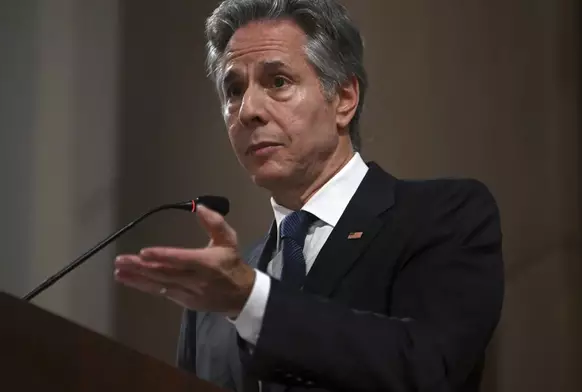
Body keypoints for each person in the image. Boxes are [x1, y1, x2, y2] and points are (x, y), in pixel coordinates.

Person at [113, 0, 505, 391]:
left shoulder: (442, 216)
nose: (248, 110)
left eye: (278, 81)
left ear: (344, 98)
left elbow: (428, 366)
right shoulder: (217, 293)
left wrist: (253, 302)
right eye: (233, 90)